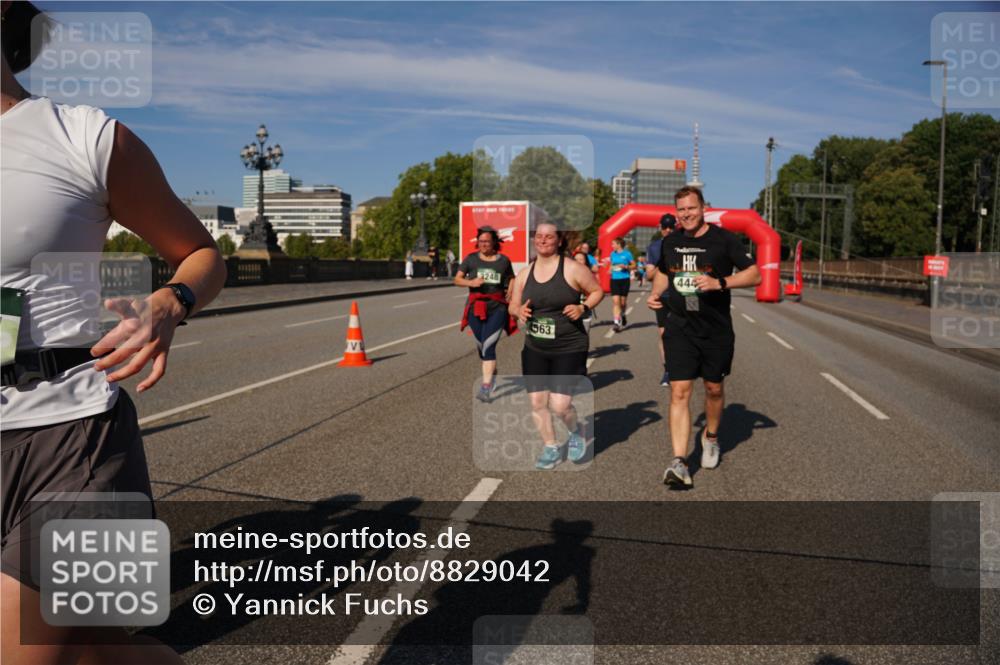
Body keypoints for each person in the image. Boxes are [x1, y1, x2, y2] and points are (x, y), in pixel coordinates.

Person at [1, 4, 227, 663]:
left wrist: (170, 300)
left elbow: (202, 254)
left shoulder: (84, 136)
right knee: (99, 651)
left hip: (74, 434)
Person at [647, 187, 761, 489]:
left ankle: (710, 437)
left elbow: (754, 274)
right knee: (679, 391)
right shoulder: (670, 241)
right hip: (680, 326)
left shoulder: (723, 240)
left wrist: (719, 282)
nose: (686, 214)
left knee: (713, 388)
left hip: (715, 330)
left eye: (691, 208)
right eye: (681, 209)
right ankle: (679, 461)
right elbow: (662, 271)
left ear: (703, 208)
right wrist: (656, 293)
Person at [509, 222, 603, 469]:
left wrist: (583, 307)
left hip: (568, 346)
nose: (542, 240)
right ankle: (550, 446)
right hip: (535, 348)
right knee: (537, 403)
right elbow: (512, 304)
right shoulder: (525, 273)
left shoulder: (573, 269)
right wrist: (519, 311)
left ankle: (576, 431)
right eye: (538, 236)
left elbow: (597, 291)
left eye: (548, 237)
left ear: (559, 240)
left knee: (560, 405)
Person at [456, 227, 517, 402]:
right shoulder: (471, 259)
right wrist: (471, 282)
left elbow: (511, 277)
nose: (483, 244)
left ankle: (486, 387)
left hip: (497, 307)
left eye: (487, 241)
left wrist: (511, 290)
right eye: (481, 241)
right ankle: (492, 374)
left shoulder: (503, 261)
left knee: (489, 346)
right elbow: (457, 279)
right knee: (482, 348)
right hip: (476, 306)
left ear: (494, 243)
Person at [645, 213, 678, 386]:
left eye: (671, 226)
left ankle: (687, 365)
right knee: (664, 334)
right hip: (663, 296)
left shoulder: (684, 243)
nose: (668, 230)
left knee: (689, 332)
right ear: (660, 227)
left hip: (685, 294)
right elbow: (649, 275)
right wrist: (661, 264)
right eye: (665, 227)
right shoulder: (654, 247)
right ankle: (668, 370)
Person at [608, 237, 635, 332]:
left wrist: (626, 266)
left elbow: (634, 265)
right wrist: (610, 269)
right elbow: (611, 264)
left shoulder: (627, 254)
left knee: (622, 302)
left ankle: (623, 315)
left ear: (619, 244)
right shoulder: (612, 254)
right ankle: (616, 322)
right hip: (614, 279)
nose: (612, 246)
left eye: (613, 244)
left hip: (624, 279)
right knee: (616, 302)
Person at [572, 252, 595, 333]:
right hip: (571, 310)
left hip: (584, 309)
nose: (578, 261)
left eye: (581, 259)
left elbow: (596, 292)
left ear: (586, 262)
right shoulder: (567, 273)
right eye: (575, 259)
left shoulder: (589, 275)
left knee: (584, 334)